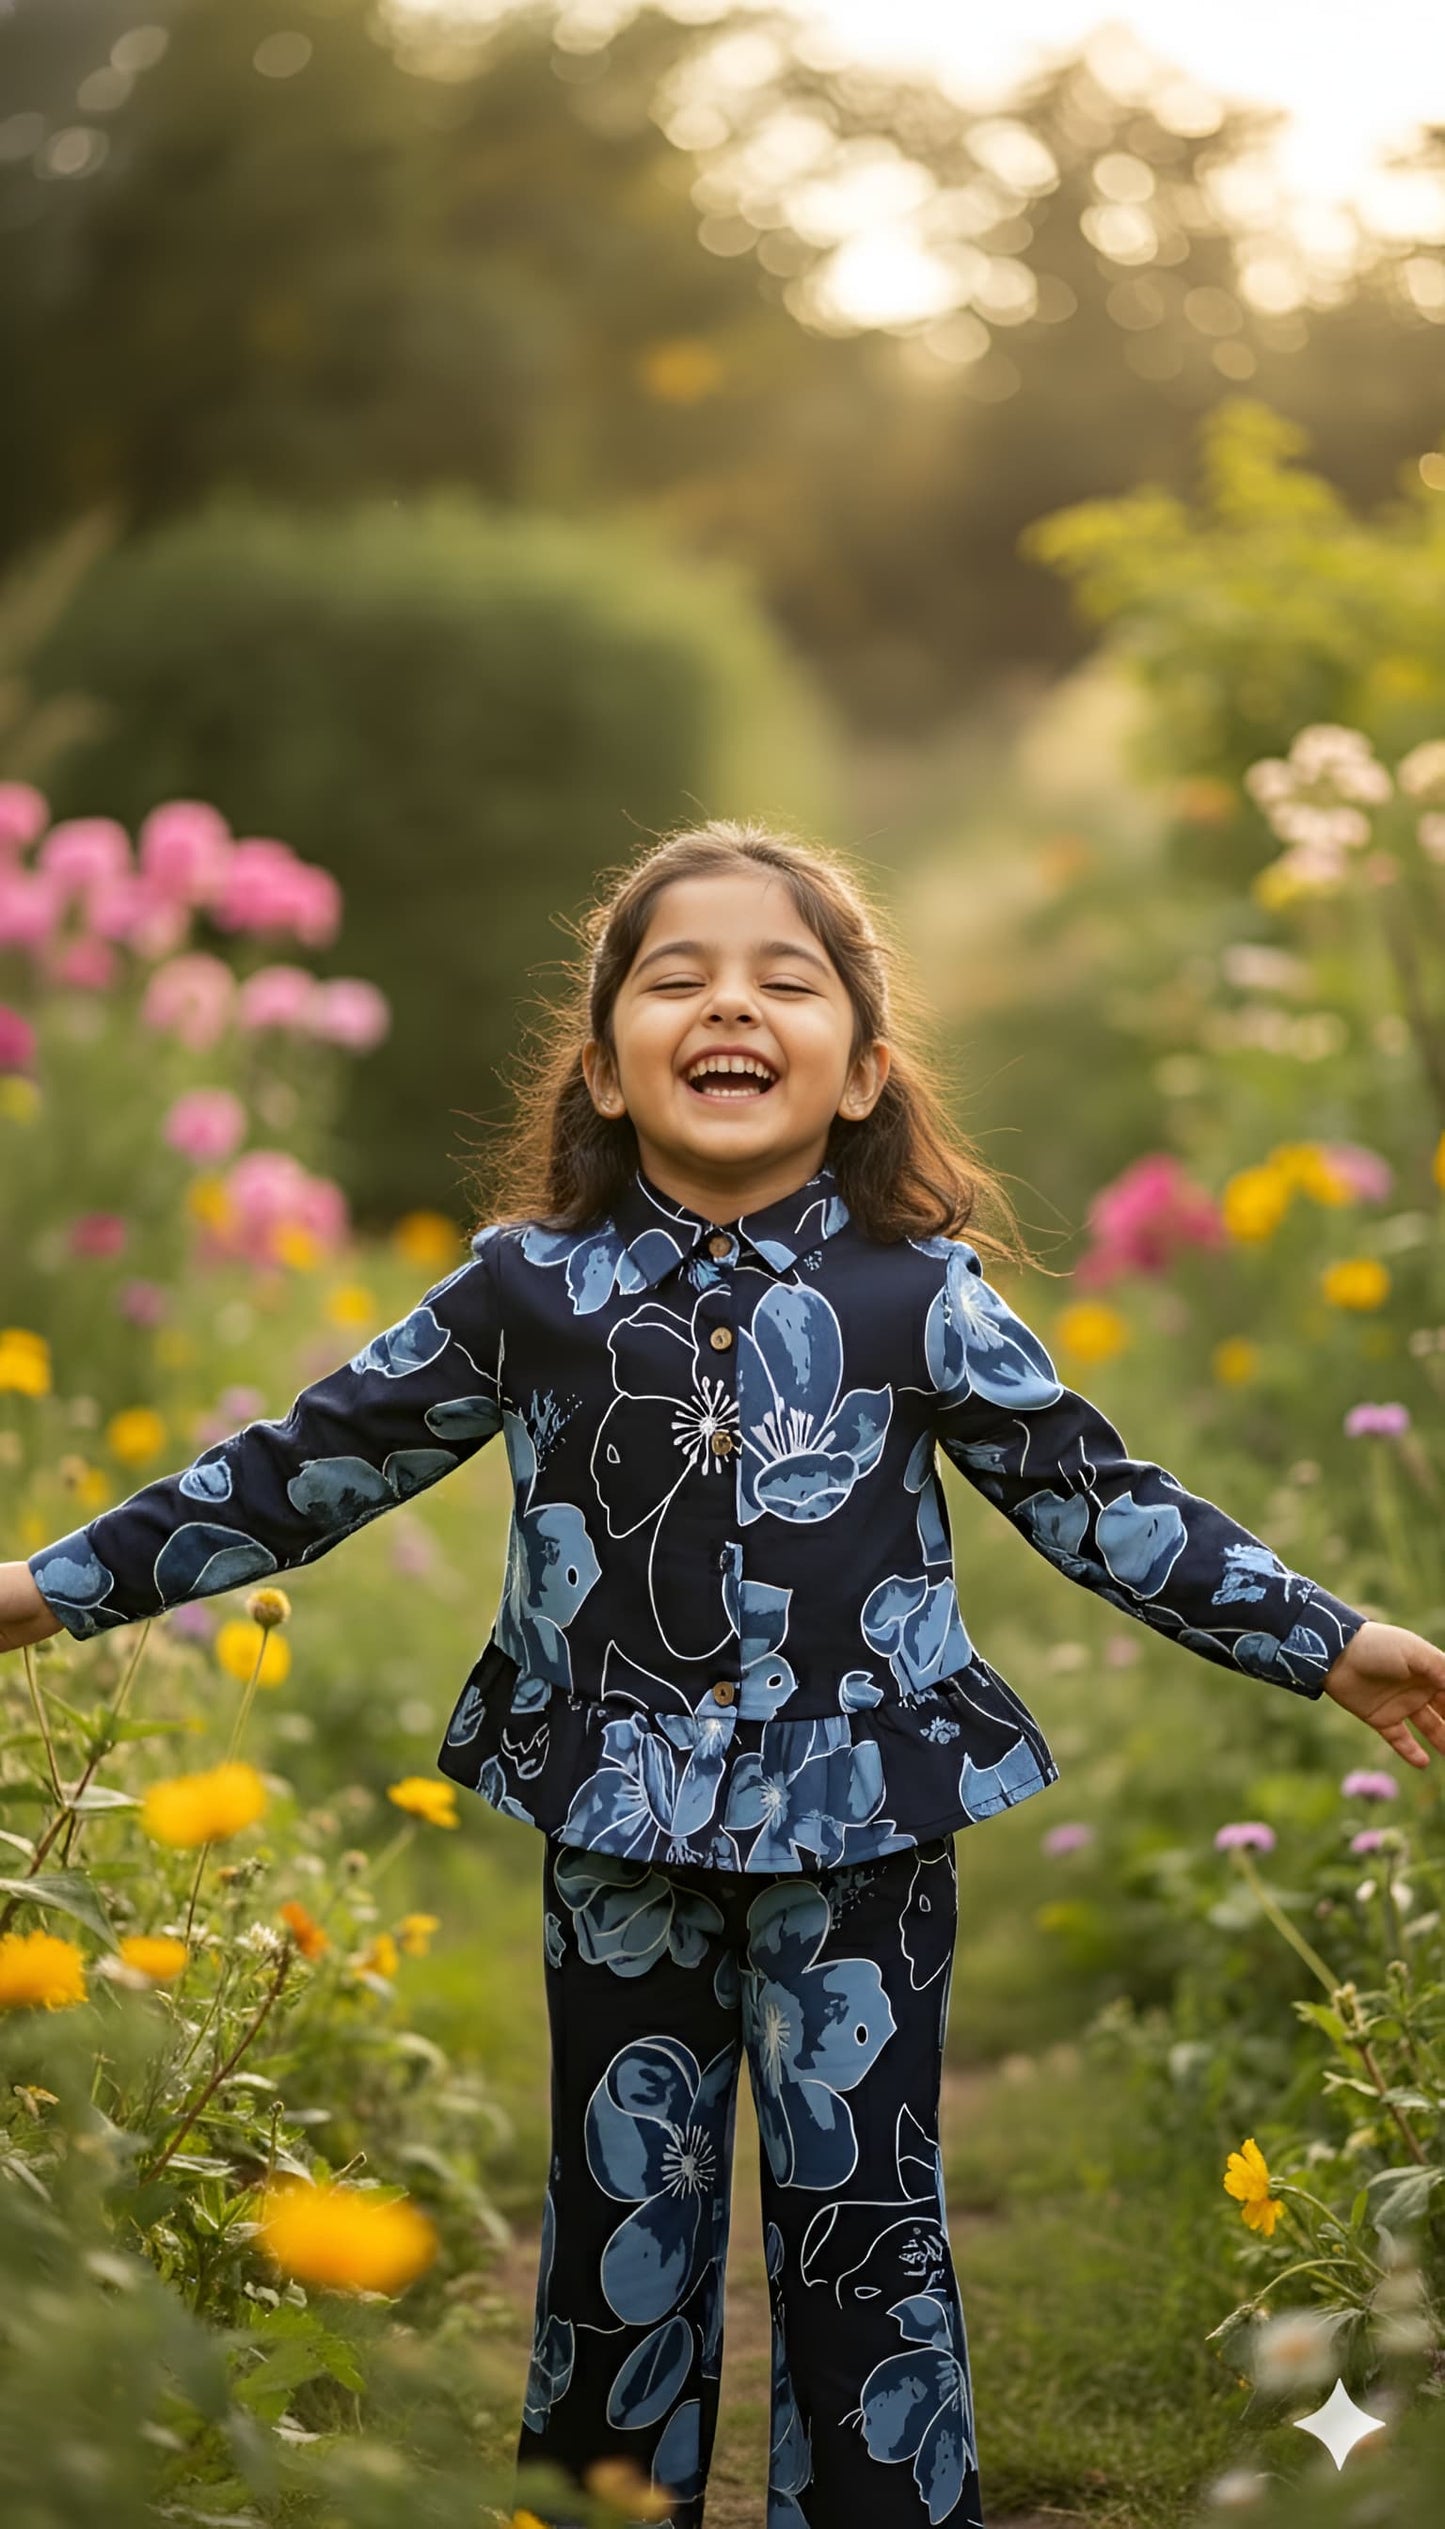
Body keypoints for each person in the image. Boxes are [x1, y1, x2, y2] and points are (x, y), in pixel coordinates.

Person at [4, 819, 1444, 2529]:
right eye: (674, 978)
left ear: (862, 1069)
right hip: (613, 1817)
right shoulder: (522, 1293)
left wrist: (1327, 1637)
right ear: (606, 1066)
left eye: (783, 978)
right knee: (622, 2234)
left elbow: (1099, 1502)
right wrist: (46, 1588)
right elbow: (304, 1462)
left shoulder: (925, 1299)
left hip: (867, 1822)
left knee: (867, 2229)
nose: (726, 1005)